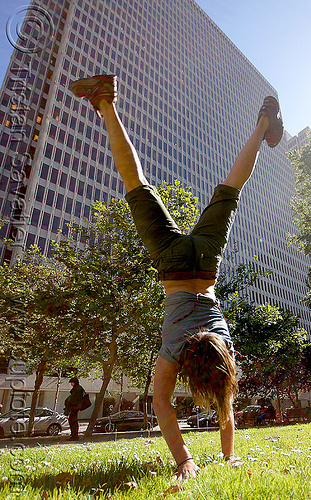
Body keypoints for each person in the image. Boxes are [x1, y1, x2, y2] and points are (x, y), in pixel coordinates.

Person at [70, 74, 283, 480]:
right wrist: (184, 459)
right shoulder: (171, 353)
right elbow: (162, 405)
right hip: (171, 264)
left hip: (204, 264)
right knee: (137, 184)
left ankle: (263, 123)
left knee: (230, 189)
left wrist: (221, 456)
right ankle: (105, 103)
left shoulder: (225, 347)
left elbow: (225, 406)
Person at [64, 376, 85, 441]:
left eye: (72, 382)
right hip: (75, 407)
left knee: (73, 421)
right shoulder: (78, 388)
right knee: (73, 421)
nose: (71, 384)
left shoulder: (77, 389)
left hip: (74, 407)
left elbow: (74, 398)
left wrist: (69, 405)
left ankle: (74, 436)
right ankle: (74, 435)